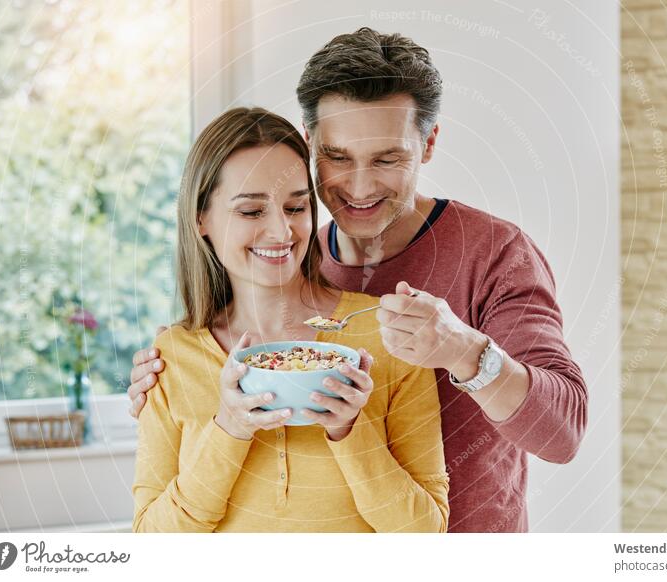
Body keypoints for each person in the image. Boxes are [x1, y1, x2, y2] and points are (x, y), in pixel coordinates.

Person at [130, 28, 588, 533]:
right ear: (310, 145)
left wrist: (464, 351)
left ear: (429, 143)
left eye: (388, 159)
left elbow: (561, 436)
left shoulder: (496, 253)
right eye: (338, 157)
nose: (360, 187)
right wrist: (173, 384)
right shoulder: (286, 260)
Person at [131, 106, 449, 532]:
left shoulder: (386, 336)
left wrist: (349, 431)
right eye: (251, 211)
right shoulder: (170, 357)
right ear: (200, 218)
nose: (282, 232)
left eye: (296, 207)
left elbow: (426, 534)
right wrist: (229, 427)